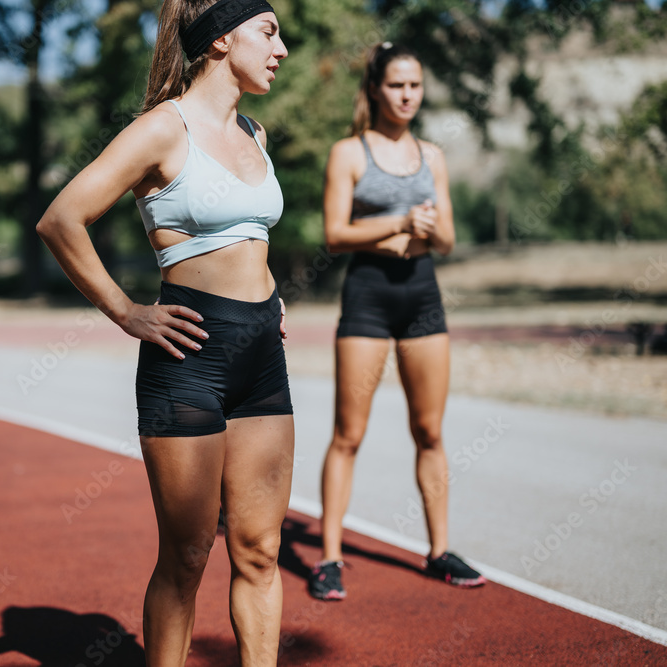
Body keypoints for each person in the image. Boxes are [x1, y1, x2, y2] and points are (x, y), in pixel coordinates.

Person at [36, 1, 293, 663]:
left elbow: (247, 235)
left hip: (264, 353)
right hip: (190, 359)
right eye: (268, 32)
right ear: (219, 41)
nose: (282, 48)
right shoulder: (162, 130)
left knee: (262, 551)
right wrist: (125, 310)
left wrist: (269, 295)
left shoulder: (255, 132)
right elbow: (62, 219)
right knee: (186, 554)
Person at [309, 42, 486, 601]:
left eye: (415, 85)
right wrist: (400, 221)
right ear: (376, 89)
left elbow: (450, 239)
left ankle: (439, 551)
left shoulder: (432, 156)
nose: (407, 94)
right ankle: (331, 558)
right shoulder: (349, 153)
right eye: (396, 85)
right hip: (368, 295)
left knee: (430, 431)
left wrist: (426, 229)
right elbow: (336, 236)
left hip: (422, 295)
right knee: (349, 434)